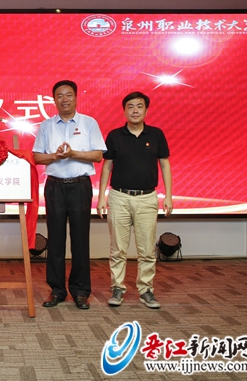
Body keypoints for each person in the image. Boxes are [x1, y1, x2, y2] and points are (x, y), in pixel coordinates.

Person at [32, 80, 106, 310]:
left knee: (80, 240)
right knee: (55, 240)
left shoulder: (89, 123)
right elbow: (37, 157)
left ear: (76, 97)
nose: (64, 99)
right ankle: (57, 290)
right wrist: (55, 156)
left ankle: (80, 291)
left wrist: (73, 154)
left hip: (80, 186)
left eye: (68, 95)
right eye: (59, 96)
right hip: (54, 187)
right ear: (54, 100)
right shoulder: (46, 126)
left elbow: (97, 156)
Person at [96, 91, 172, 309]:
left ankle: (146, 290)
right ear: (124, 111)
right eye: (130, 106)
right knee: (118, 249)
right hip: (119, 197)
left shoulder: (156, 134)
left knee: (146, 249)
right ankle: (117, 288)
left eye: (139, 106)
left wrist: (168, 195)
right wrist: (101, 197)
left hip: (147, 198)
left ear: (146, 110)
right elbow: (107, 167)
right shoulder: (114, 135)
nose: (135, 110)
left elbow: (165, 164)